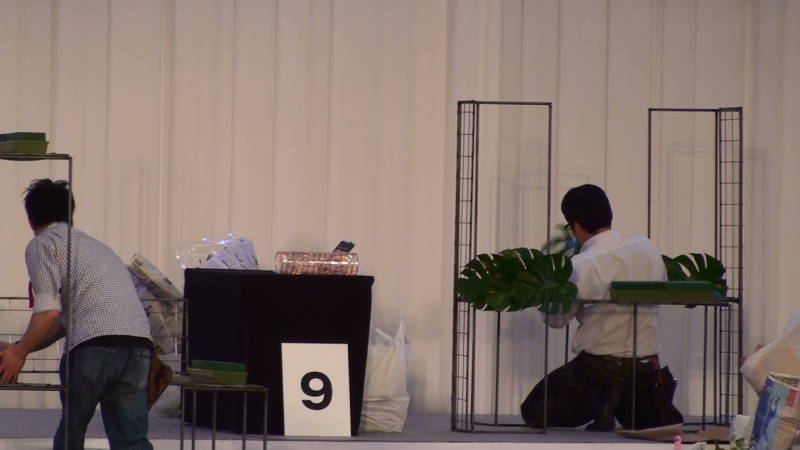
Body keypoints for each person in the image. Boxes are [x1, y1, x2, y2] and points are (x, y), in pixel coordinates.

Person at [0, 179, 154, 450]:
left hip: (93, 349)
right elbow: (63, 321)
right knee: (131, 440)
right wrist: (21, 347)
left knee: (72, 434)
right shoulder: (97, 247)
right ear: (70, 213)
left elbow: (48, 311)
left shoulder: (43, 244)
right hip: (138, 346)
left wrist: (19, 353)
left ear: (30, 218)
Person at [520, 184, 683, 431]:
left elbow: (556, 320)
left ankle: (605, 401)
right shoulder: (647, 249)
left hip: (596, 373)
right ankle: (622, 403)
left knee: (533, 410)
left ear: (576, 225)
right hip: (644, 370)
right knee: (649, 418)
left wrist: (543, 289)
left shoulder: (581, 265)